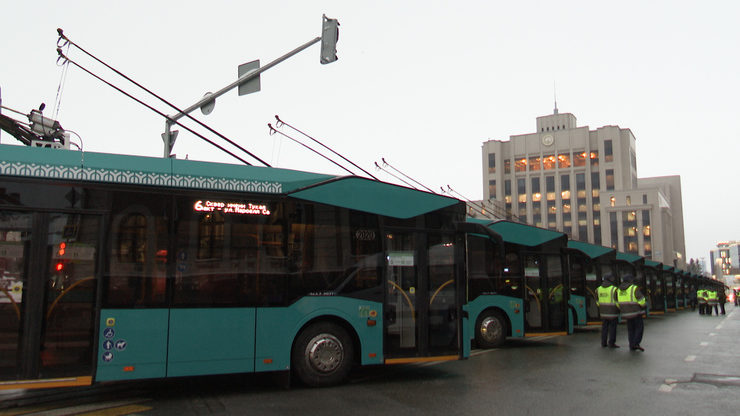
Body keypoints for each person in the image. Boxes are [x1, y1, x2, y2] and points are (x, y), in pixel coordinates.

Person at [617, 274, 646, 352]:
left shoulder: (619, 289)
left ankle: (631, 344)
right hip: (636, 312)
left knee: (630, 329)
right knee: (639, 328)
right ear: (630, 280)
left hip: (626, 313)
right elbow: (641, 300)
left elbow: (617, 301)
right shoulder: (634, 288)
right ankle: (636, 343)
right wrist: (644, 305)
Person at [596, 274, 620, 348]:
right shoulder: (614, 289)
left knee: (604, 328)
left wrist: (601, 307)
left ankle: (603, 342)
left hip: (603, 312)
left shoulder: (598, 289)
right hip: (613, 312)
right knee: (612, 328)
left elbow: (597, 301)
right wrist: (619, 309)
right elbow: (617, 302)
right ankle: (611, 343)